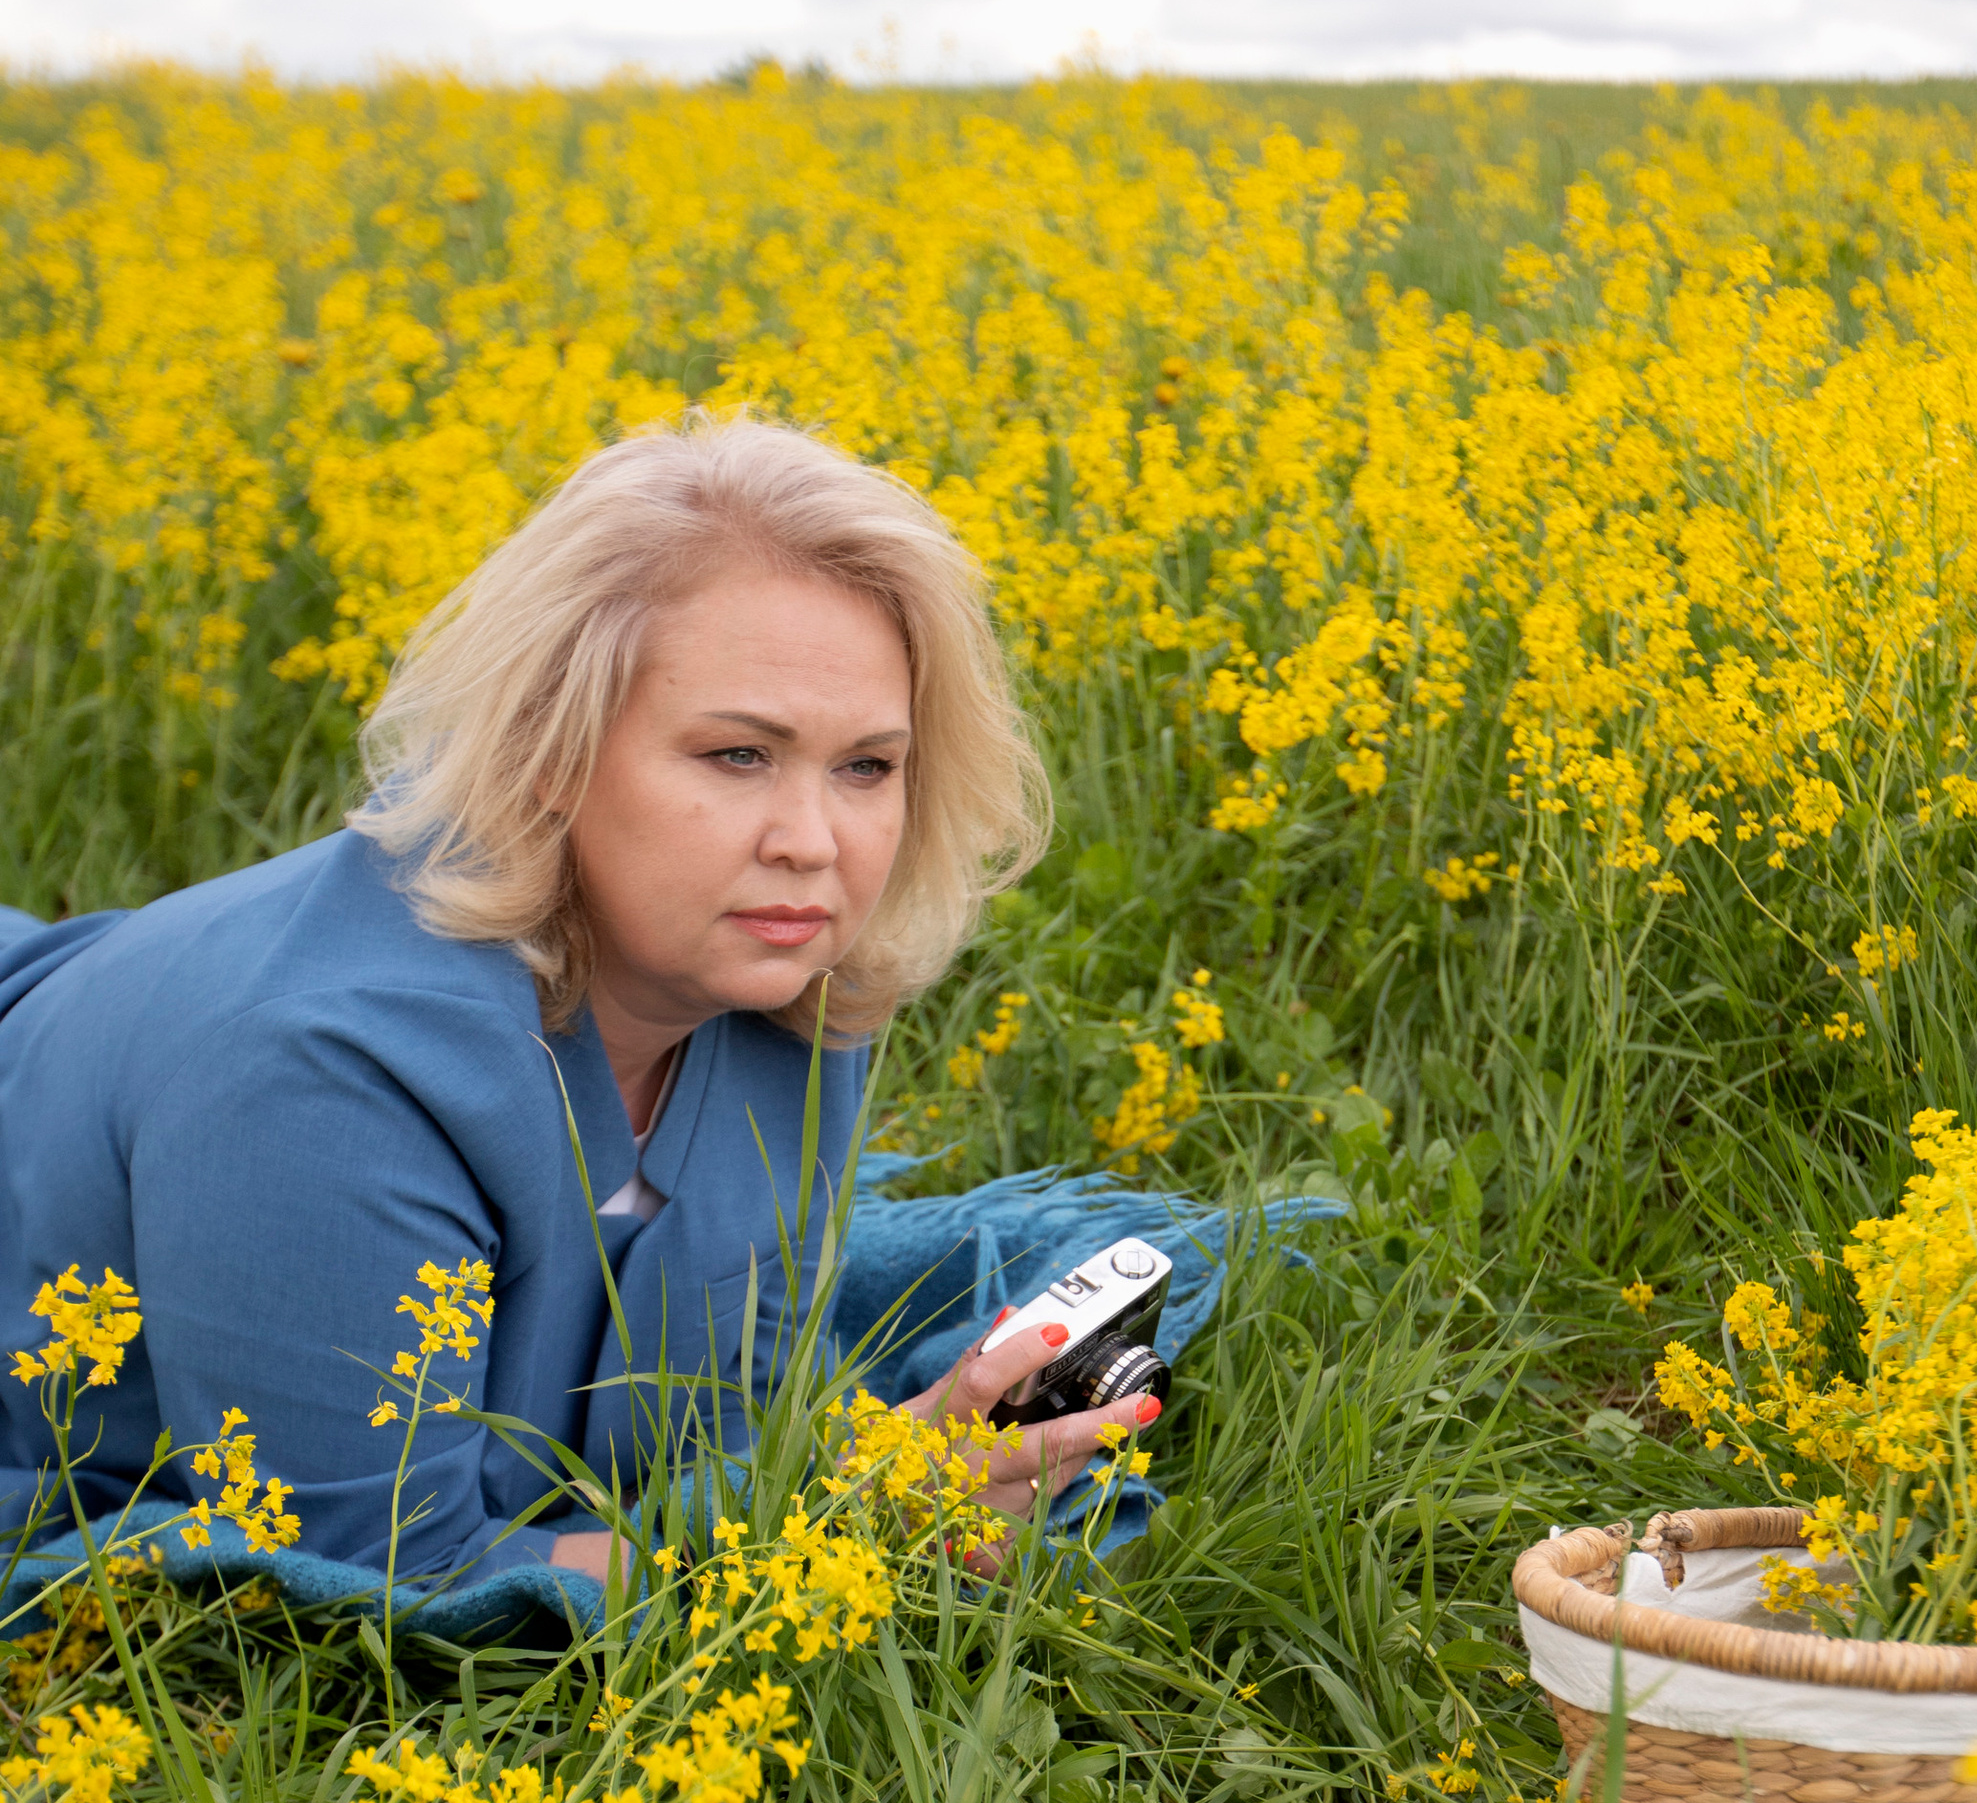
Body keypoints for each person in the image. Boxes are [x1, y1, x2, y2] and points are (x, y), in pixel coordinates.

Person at [0, 416, 1173, 1616]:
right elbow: (367, 1577)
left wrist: (880, 1485)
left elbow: (728, 1423)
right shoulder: (318, 1078)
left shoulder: (775, 977)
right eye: (736, 754)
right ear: (549, 750)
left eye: (867, 766)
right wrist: (843, 1523)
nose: (813, 843)